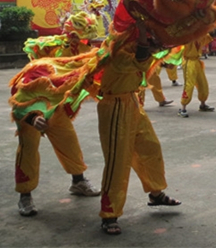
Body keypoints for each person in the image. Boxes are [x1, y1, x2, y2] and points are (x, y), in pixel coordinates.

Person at [97, 20, 180, 235]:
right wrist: (144, 33)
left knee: (150, 148)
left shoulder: (131, 47)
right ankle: (110, 214)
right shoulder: (116, 52)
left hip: (132, 103)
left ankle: (156, 193)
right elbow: (141, 61)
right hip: (114, 107)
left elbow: (151, 54)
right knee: (118, 161)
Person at [15, 12, 101, 217]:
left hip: (57, 109)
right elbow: (22, 90)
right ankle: (25, 195)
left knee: (69, 142)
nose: (87, 42)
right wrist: (32, 116)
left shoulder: (84, 53)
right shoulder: (48, 50)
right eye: (82, 37)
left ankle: (78, 182)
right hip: (33, 104)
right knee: (28, 148)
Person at [179, 33, 216, 118]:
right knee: (189, 85)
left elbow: (208, 36)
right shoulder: (186, 35)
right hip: (189, 61)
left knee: (203, 83)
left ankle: (203, 104)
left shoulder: (200, 35)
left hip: (197, 61)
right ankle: (183, 108)